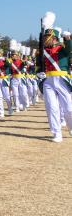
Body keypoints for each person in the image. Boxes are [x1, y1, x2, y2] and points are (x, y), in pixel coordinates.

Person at [37, 12, 72, 142]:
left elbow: (70, 49)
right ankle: (56, 133)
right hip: (48, 81)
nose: (45, 39)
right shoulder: (42, 52)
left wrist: (67, 39)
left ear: (55, 38)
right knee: (51, 108)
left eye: (48, 37)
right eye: (45, 37)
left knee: (69, 108)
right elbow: (39, 65)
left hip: (62, 80)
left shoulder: (62, 49)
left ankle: (70, 126)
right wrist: (39, 74)